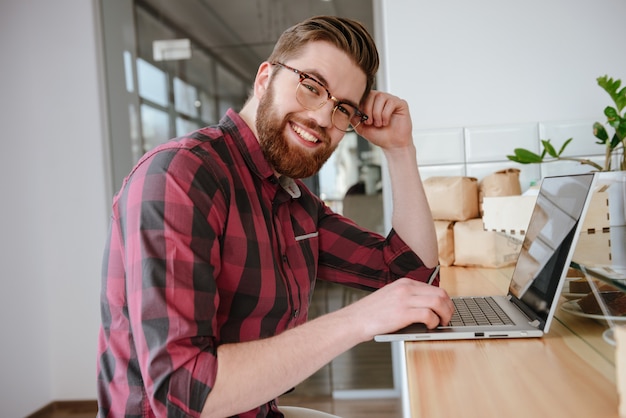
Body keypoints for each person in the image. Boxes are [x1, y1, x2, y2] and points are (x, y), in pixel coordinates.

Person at [97, 15, 453, 418]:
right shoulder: (179, 177)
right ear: (265, 79)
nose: (321, 117)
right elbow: (181, 394)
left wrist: (400, 151)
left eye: (342, 109)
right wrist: (358, 320)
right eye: (311, 86)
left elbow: (413, 277)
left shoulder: (292, 198)